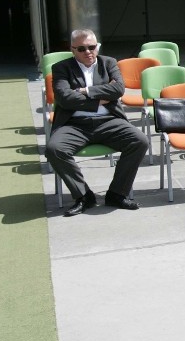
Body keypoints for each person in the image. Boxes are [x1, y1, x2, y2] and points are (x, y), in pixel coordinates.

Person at [45, 29, 148, 216]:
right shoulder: (61, 68)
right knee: (54, 149)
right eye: (82, 48)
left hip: (109, 121)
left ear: (97, 47)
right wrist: (100, 98)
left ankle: (117, 193)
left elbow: (118, 89)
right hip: (74, 124)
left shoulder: (108, 63)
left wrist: (85, 91)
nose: (88, 52)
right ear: (72, 50)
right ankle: (84, 196)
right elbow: (65, 98)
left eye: (92, 47)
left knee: (140, 141)